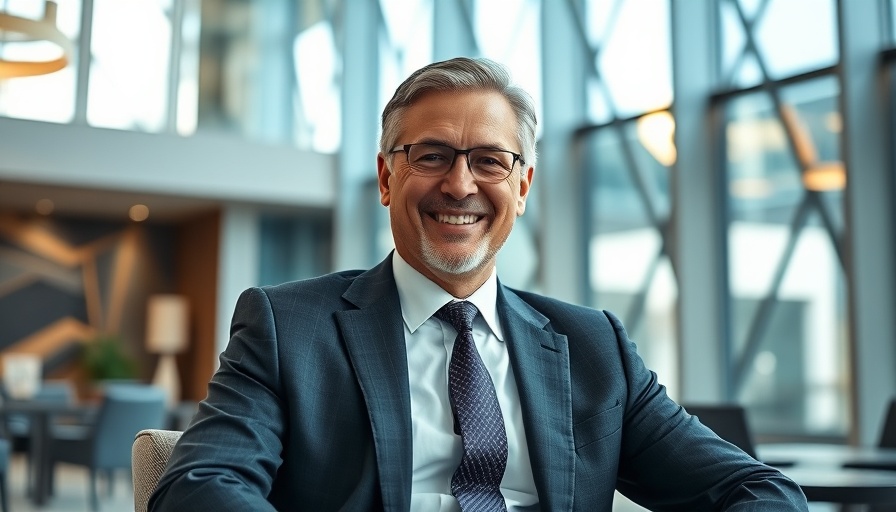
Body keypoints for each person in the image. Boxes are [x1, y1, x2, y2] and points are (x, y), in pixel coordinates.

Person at [149, 57, 808, 511]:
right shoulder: (286, 326)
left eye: (488, 161)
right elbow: (202, 483)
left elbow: (755, 490)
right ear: (386, 178)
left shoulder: (593, 346)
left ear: (521, 187)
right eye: (431, 155)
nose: (460, 185)